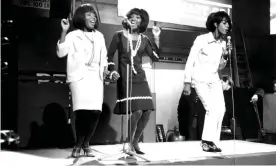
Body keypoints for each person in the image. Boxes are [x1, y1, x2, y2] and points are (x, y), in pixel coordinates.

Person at [56, 4, 109, 158]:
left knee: (95, 112)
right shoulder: (73, 35)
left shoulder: (99, 36)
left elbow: (104, 57)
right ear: (81, 17)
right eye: (89, 15)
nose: (93, 18)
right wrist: (64, 31)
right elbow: (61, 52)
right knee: (82, 112)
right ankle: (79, 144)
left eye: (94, 15)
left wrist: (105, 69)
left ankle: (86, 143)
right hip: (79, 77)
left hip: (96, 77)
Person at [107, 8, 161, 155]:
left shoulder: (145, 39)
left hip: (140, 78)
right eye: (132, 16)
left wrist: (156, 37)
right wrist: (112, 71)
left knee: (147, 111)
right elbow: (109, 56)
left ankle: (135, 141)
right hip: (125, 77)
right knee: (137, 110)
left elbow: (155, 57)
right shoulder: (118, 36)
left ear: (142, 21)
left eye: (138, 17)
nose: (134, 19)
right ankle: (128, 142)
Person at [183, 11, 232, 152]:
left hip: (214, 80)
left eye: (228, 23)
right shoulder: (201, 39)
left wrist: (225, 56)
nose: (227, 25)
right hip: (200, 80)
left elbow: (220, 66)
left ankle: (214, 142)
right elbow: (190, 60)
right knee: (211, 108)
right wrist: (187, 82)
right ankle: (206, 141)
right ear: (216, 24)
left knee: (221, 109)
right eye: (224, 22)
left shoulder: (223, 43)